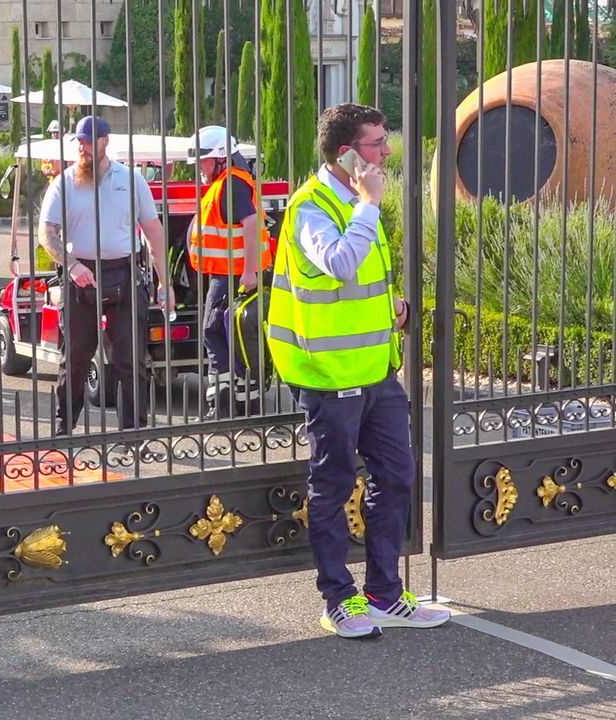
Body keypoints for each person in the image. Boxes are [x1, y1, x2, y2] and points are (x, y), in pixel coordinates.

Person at [266, 103, 449, 638]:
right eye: (376, 143)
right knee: (334, 484)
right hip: (328, 374)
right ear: (347, 153)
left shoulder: (354, 201)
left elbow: (357, 286)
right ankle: (338, 600)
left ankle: (385, 594)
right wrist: (369, 205)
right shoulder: (312, 206)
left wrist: (394, 308)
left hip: (375, 370)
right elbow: (340, 265)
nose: (387, 151)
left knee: (396, 477)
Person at [39, 115, 172, 436]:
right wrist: (72, 265)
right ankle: (63, 430)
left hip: (124, 273)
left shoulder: (131, 181)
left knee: (130, 360)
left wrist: (165, 282)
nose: (82, 148)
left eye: (88, 141)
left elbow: (154, 231)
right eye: (79, 142)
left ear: (105, 141)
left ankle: (133, 433)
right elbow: (46, 232)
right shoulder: (64, 183)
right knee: (74, 359)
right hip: (79, 276)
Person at [187, 125, 273, 419]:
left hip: (233, 276)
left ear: (220, 158)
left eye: (203, 160)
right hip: (229, 274)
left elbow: (250, 225)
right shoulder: (228, 182)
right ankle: (240, 405)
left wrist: (249, 273)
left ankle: (223, 406)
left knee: (214, 332)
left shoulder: (232, 184)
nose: (200, 167)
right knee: (231, 337)